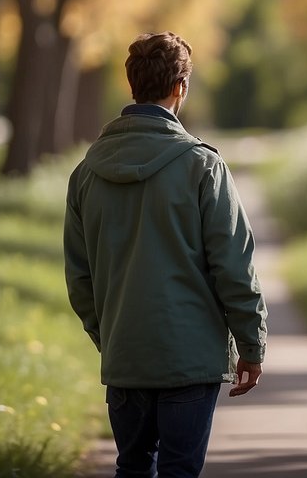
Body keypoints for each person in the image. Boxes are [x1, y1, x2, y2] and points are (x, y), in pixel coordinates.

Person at [64, 31, 268, 478]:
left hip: (126, 357)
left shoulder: (85, 174)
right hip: (188, 358)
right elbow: (233, 265)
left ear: (132, 84)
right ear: (181, 88)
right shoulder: (202, 166)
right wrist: (251, 345)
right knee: (179, 470)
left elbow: (80, 281)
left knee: (132, 467)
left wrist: (113, 336)